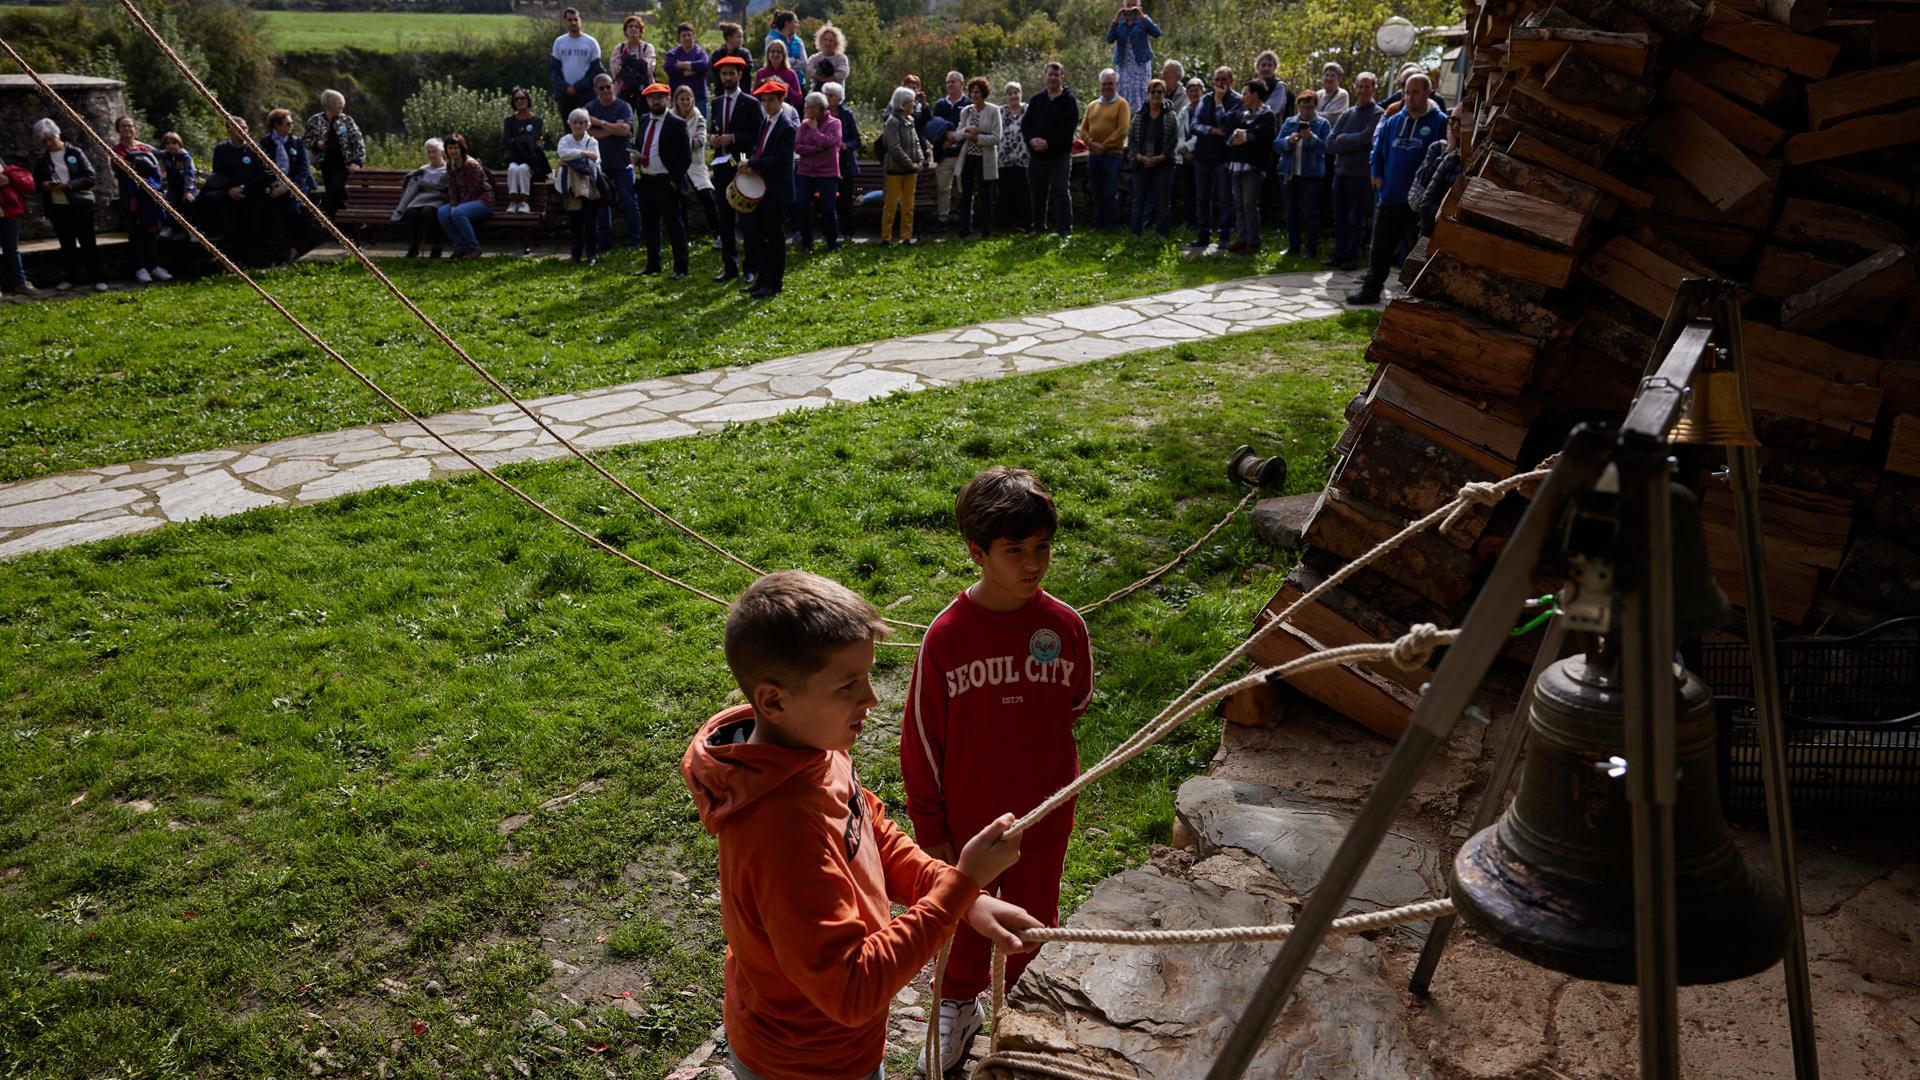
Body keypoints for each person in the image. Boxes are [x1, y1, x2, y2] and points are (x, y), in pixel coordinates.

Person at [682, 570, 1040, 1080]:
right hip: (804, 1065)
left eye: (868, 676)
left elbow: (867, 827)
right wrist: (960, 886)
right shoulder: (780, 835)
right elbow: (852, 990)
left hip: (839, 1048)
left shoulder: (809, 749)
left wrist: (965, 898)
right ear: (774, 701)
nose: (871, 698)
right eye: (848, 685)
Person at [903, 467, 1093, 1075]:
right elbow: (923, 740)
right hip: (969, 814)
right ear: (977, 552)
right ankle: (958, 1005)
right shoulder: (948, 637)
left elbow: (1075, 703)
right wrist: (932, 826)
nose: (1033, 563)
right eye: (1015, 551)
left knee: (1033, 920)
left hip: (1045, 809)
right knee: (965, 916)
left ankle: (1023, 1015)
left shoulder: (1064, 627)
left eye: (1042, 548)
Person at [1348, 73, 1445, 305]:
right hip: (1389, 196)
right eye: (1407, 92)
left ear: (1427, 93)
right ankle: (1371, 289)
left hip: (1418, 203)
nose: (1410, 97)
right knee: (1380, 247)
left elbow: (1443, 157)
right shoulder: (1392, 121)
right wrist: (1377, 176)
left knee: (1415, 249)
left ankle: (1414, 293)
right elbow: (1377, 152)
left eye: (1416, 92)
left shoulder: (1439, 122)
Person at [30, 118, 106, 292]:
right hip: (58, 206)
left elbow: (90, 177)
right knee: (67, 244)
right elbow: (36, 182)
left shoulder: (75, 152)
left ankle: (98, 277)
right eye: (44, 141)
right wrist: (45, 185)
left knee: (88, 243)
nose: (48, 143)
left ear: (58, 136)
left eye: (50, 139)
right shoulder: (43, 160)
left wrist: (69, 185)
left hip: (80, 205)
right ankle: (72, 277)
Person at [707, 55, 761, 283]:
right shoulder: (717, 102)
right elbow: (714, 129)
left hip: (743, 164)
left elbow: (758, 136)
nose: (727, 78)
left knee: (747, 221)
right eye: (724, 74)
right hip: (721, 166)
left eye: (732, 73)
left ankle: (751, 268)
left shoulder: (751, 103)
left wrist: (734, 138)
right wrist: (713, 139)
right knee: (725, 220)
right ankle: (729, 267)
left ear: (740, 75)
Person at [628, 83, 691, 278]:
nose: (656, 101)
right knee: (649, 224)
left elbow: (686, 157)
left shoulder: (676, 123)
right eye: (652, 98)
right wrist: (636, 158)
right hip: (647, 180)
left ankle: (680, 266)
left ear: (667, 99)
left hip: (666, 181)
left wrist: (674, 181)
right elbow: (640, 144)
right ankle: (653, 263)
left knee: (674, 225)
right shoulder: (645, 120)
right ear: (647, 101)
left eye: (660, 97)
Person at [741, 78, 796, 298]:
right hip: (764, 187)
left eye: (771, 100)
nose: (766, 105)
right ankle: (762, 278)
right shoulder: (766, 122)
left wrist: (754, 163)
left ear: (782, 100)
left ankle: (775, 282)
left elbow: (780, 161)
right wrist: (751, 161)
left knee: (774, 237)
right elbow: (759, 148)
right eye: (764, 101)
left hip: (777, 190)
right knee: (760, 235)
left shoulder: (787, 127)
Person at [1325, 70, 1380, 272]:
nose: (1363, 90)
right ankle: (1339, 254)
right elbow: (1329, 143)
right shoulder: (1347, 114)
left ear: (1374, 89)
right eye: (1360, 86)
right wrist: (1349, 141)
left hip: (1361, 175)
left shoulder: (1377, 114)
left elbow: (1366, 138)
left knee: (1356, 219)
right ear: (1355, 88)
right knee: (1339, 217)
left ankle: (1351, 257)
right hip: (1341, 173)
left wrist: (1343, 139)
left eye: (1367, 86)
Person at [111, 115, 171, 283]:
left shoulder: (145, 148)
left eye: (130, 126)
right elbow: (122, 169)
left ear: (135, 128)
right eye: (123, 126)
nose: (127, 129)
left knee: (151, 233)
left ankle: (155, 266)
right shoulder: (116, 150)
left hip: (149, 195)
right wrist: (141, 166)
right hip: (131, 197)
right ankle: (140, 268)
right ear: (118, 129)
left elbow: (156, 169)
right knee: (135, 234)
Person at [1021, 61, 1079, 238]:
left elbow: (1068, 127)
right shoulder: (1037, 100)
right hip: (1037, 156)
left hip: (1059, 155)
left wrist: (1049, 143)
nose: (1053, 78)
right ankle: (1038, 227)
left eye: (1056, 74)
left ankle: (1064, 229)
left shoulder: (1069, 101)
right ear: (1044, 77)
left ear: (1062, 77)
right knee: (1038, 193)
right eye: (1050, 74)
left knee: (1060, 191)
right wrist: (1031, 140)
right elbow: (1026, 124)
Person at [198, 116, 267, 263]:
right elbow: (218, 174)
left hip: (251, 191)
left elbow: (262, 175)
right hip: (228, 192)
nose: (243, 131)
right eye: (239, 128)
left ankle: (255, 258)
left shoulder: (256, 149)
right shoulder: (221, 149)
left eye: (245, 128)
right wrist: (230, 189)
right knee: (212, 200)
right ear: (229, 130)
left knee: (255, 212)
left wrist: (243, 188)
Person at [1188, 65, 1239, 249]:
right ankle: (1203, 236)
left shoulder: (1237, 101)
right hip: (1203, 156)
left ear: (1231, 81)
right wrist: (1211, 130)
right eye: (1217, 80)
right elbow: (1194, 125)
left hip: (1224, 157)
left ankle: (1225, 236)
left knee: (1226, 198)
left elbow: (1227, 127)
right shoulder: (1205, 99)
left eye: (1224, 79)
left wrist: (1219, 104)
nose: (1219, 83)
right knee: (1202, 198)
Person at [1274, 89, 1330, 258]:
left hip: (1311, 175)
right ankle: (1293, 246)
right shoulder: (1290, 122)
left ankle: (1310, 248)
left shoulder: (1322, 124)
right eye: (1302, 107)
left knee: (1310, 212)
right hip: (1289, 172)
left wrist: (1311, 138)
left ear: (1315, 106)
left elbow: (1326, 148)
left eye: (1309, 107)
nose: (1305, 111)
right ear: (1298, 106)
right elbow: (1276, 145)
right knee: (1291, 211)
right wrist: (1288, 141)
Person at [586, 73, 638, 253]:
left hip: (623, 162)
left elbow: (625, 130)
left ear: (614, 86)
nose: (606, 90)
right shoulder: (590, 107)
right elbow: (587, 132)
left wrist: (600, 123)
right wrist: (612, 128)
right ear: (595, 90)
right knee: (602, 205)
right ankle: (604, 244)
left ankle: (634, 242)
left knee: (630, 202)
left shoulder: (624, 107)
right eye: (602, 88)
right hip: (600, 164)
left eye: (609, 86)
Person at [1224, 79, 1274, 254]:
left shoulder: (1268, 115)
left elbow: (1262, 137)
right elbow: (1230, 137)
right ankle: (1241, 238)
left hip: (1253, 166)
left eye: (1245, 93)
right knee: (1239, 203)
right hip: (1236, 165)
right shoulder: (1241, 115)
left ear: (1255, 94)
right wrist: (1243, 136)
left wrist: (1243, 135)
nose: (1242, 96)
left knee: (1249, 203)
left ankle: (1253, 242)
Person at [790, 91, 843, 253]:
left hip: (827, 172)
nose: (805, 110)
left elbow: (828, 142)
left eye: (808, 107)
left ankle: (832, 243)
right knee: (803, 207)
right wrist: (816, 148)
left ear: (818, 108)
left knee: (828, 209)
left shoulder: (835, 123)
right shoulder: (803, 125)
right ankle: (807, 243)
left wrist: (814, 131)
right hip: (805, 172)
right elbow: (798, 147)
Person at [263, 108, 317, 263]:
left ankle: (297, 247)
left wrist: (296, 186)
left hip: (298, 185)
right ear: (277, 125)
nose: (291, 126)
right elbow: (263, 167)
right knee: (278, 213)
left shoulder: (297, 142)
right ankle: (286, 249)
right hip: (277, 187)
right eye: (288, 123)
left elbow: (304, 168)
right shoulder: (266, 142)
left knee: (293, 210)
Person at [1080, 68, 1130, 231]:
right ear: (1100, 85)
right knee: (1096, 191)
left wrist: (1104, 145)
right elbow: (1083, 128)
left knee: (1109, 191)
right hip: (1094, 154)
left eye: (1110, 84)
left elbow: (1123, 130)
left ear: (1116, 85)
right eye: (1104, 84)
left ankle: (1112, 226)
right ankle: (1098, 224)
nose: (1107, 87)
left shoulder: (1122, 104)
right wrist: (1091, 143)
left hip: (1112, 154)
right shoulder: (1092, 105)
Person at [303, 89, 365, 220]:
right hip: (326, 164)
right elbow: (306, 140)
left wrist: (357, 161)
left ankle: (347, 224)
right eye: (339, 103)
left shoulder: (347, 120)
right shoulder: (315, 120)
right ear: (330, 103)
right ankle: (335, 225)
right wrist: (317, 144)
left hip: (345, 165)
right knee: (331, 194)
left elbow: (358, 142)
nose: (342, 105)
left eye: (342, 102)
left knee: (338, 189)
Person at [1127, 78, 1177, 238]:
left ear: (1165, 94)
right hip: (1141, 163)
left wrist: (1161, 157)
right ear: (1147, 94)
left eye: (1160, 92)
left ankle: (1162, 233)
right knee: (1138, 200)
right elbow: (1131, 140)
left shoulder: (1170, 115)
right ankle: (1136, 233)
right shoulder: (1139, 115)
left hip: (1163, 163)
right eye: (1153, 92)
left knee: (1163, 201)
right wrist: (1140, 157)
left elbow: (1173, 139)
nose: (1156, 95)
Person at [877, 85, 925, 246]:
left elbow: (916, 142)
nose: (914, 104)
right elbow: (894, 147)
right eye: (912, 101)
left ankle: (906, 236)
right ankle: (886, 237)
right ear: (903, 103)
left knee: (908, 204)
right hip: (895, 170)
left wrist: (920, 159)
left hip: (911, 170)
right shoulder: (892, 121)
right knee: (890, 204)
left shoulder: (910, 120)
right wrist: (910, 164)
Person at [554, 108, 603, 265]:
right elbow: (562, 154)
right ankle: (575, 255)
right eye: (575, 122)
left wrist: (572, 157)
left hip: (590, 186)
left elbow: (594, 161)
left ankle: (591, 255)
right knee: (575, 222)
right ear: (570, 124)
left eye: (582, 122)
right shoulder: (565, 140)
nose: (578, 125)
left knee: (590, 223)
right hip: (570, 186)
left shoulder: (592, 141)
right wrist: (583, 153)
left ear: (587, 124)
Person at [436, 132, 495, 259]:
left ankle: (474, 248)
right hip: (463, 202)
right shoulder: (450, 165)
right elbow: (452, 188)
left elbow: (475, 189)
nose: (453, 151)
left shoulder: (471, 164)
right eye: (450, 148)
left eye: (456, 148)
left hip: (482, 201)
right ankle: (459, 246)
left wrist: (457, 206)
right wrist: (453, 204)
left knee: (457, 213)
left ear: (461, 148)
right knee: (442, 212)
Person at [955, 76, 1001, 238]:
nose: (974, 95)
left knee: (986, 194)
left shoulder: (994, 110)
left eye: (977, 92)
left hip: (985, 158)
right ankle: (965, 229)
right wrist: (967, 131)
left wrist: (977, 137)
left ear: (984, 93)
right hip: (968, 157)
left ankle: (986, 230)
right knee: (966, 193)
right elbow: (958, 134)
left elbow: (997, 137)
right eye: (972, 92)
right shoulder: (966, 111)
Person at [674, 85, 719, 241]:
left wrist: (677, 143)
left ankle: (718, 233)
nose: (686, 102)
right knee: (680, 201)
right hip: (677, 165)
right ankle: (683, 237)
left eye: (688, 98)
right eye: (682, 99)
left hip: (696, 164)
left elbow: (700, 142)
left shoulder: (699, 118)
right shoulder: (670, 118)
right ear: (676, 101)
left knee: (707, 197)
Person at [391, 137, 449, 258]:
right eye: (429, 152)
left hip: (439, 199)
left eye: (434, 151)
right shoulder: (422, 170)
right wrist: (401, 208)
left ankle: (436, 246)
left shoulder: (449, 169)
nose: (432, 154)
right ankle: (413, 247)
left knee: (428, 212)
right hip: (421, 199)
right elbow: (411, 190)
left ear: (442, 152)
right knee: (411, 212)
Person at [1407, 111, 1460, 238]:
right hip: (1426, 220)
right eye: (1453, 120)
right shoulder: (1438, 148)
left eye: (1461, 121)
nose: (1456, 126)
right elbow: (1423, 178)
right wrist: (1448, 151)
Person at [502, 88, 551, 216]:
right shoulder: (509, 121)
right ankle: (513, 202)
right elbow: (506, 142)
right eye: (516, 99)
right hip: (514, 158)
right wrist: (523, 140)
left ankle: (524, 202)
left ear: (528, 100)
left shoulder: (537, 120)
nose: (520, 101)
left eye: (522, 98)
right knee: (513, 169)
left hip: (531, 160)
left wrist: (516, 140)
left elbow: (534, 140)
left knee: (523, 169)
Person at [1106, 1, 1162, 110]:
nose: (1130, 8)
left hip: (1140, 64)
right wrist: (1116, 20)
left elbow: (1157, 33)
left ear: (1139, 6)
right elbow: (1109, 39)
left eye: (1133, 5)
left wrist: (1143, 17)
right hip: (1124, 65)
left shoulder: (1143, 21)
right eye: (1128, 5)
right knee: (1124, 91)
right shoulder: (1120, 23)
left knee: (1140, 92)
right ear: (1123, 7)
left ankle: (1141, 117)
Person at [930, 71, 967, 229]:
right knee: (943, 189)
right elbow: (935, 126)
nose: (950, 85)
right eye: (948, 82)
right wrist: (944, 138)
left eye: (953, 82)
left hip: (963, 153)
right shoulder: (940, 104)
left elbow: (969, 126)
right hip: (944, 155)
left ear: (961, 84)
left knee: (963, 189)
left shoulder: (968, 103)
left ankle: (964, 218)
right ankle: (943, 219)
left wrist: (956, 138)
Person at [550, 7, 605, 114]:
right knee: (568, 129)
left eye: (576, 19)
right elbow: (554, 70)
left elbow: (596, 70)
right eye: (570, 20)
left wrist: (577, 87)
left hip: (585, 95)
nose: (573, 22)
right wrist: (565, 88)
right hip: (565, 96)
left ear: (580, 21)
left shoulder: (591, 42)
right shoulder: (559, 42)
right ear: (564, 22)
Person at [823, 82, 860, 236]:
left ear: (839, 98)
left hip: (844, 164)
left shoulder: (847, 115)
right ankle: (830, 233)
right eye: (825, 95)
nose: (827, 98)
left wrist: (846, 146)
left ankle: (848, 233)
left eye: (830, 95)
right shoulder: (821, 115)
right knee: (827, 201)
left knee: (845, 201)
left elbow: (857, 140)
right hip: (825, 165)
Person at [0, 150, 38, 295]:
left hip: (7, 210)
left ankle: (20, 282)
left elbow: (7, 178)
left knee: (11, 248)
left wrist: (8, 179)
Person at [996, 81, 1031, 234]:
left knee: (1023, 191)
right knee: (1005, 191)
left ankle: (1025, 223)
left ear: (1021, 94)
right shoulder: (1000, 111)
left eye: (1016, 92)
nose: (1013, 96)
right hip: (1005, 158)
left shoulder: (1028, 110)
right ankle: (1006, 223)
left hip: (1024, 157)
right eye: (1010, 93)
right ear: (1006, 96)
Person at [611, 14, 656, 111]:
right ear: (625, 31)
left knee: (645, 119)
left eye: (636, 27)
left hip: (645, 90)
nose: (633, 29)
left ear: (641, 31)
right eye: (630, 26)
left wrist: (628, 63)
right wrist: (637, 64)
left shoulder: (647, 48)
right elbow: (616, 70)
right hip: (623, 91)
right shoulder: (619, 49)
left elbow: (648, 68)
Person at [157, 130, 197, 237]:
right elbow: (153, 151)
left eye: (173, 143)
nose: (171, 146)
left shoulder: (186, 157)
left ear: (179, 144)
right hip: (173, 188)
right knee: (167, 202)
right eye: (168, 143)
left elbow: (190, 174)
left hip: (187, 188)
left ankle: (192, 230)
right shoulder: (166, 155)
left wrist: (187, 191)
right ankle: (170, 227)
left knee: (188, 203)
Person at [664, 22, 710, 111]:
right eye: (684, 36)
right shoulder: (672, 53)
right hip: (678, 99)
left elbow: (704, 65)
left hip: (699, 97)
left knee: (699, 124)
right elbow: (669, 68)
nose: (687, 38)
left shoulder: (701, 53)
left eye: (689, 35)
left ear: (694, 37)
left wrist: (683, 64)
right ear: (679, 38)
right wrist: (686, 72)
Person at [1177, 75, 1204, 230]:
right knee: (1188, 191)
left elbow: (1201, 132)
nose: (1193, 94)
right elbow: (1178, 132)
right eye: (1191, 91)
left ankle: (1201, 222)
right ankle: (1188, 221)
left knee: (1201, 191)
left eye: (1196, 90)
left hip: (1200, 154)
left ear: (1202, 91)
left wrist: (1188, 147)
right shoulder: (1184, 111)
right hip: (1185, 157)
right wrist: (1182, 148)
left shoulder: (1207, 109)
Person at [764, 10, 809, 92]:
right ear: (787, 23)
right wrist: (794, 60)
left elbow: (804, 63)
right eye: (795, 22)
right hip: (777, 83)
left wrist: (786, 61)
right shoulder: (771, 38)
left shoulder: (798, 41)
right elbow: (773, 61)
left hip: (799, 83)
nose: (797, 25)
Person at [755, 39, 804, 110]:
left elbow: (798, 100)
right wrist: (764, 83)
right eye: (772, 51)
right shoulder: (762, 73)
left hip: (785, 110)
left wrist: (785, 86)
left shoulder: (790, 73)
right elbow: (754, 96)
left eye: (779, 52)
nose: (775, 54)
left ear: (783, 55)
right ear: (768, 54)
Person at [709, 22, 753, 99]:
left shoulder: (744, 53)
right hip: (722, 95)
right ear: (729, 38)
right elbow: (715, 73)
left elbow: (748, 68)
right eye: (739, 37)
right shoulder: (717, 55)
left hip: (742, 96)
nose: (741, 40)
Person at [813, 23, 850, 88]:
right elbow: (809, 69)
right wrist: (816, 75)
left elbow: (843, 73)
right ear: (821, 40)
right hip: (817, 92)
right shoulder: (815, 57)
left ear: (836, 43)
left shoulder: (841, 58)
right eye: (825, 40)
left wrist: (825, 80)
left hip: (836, 94)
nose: (827, 43)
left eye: (830, 41)